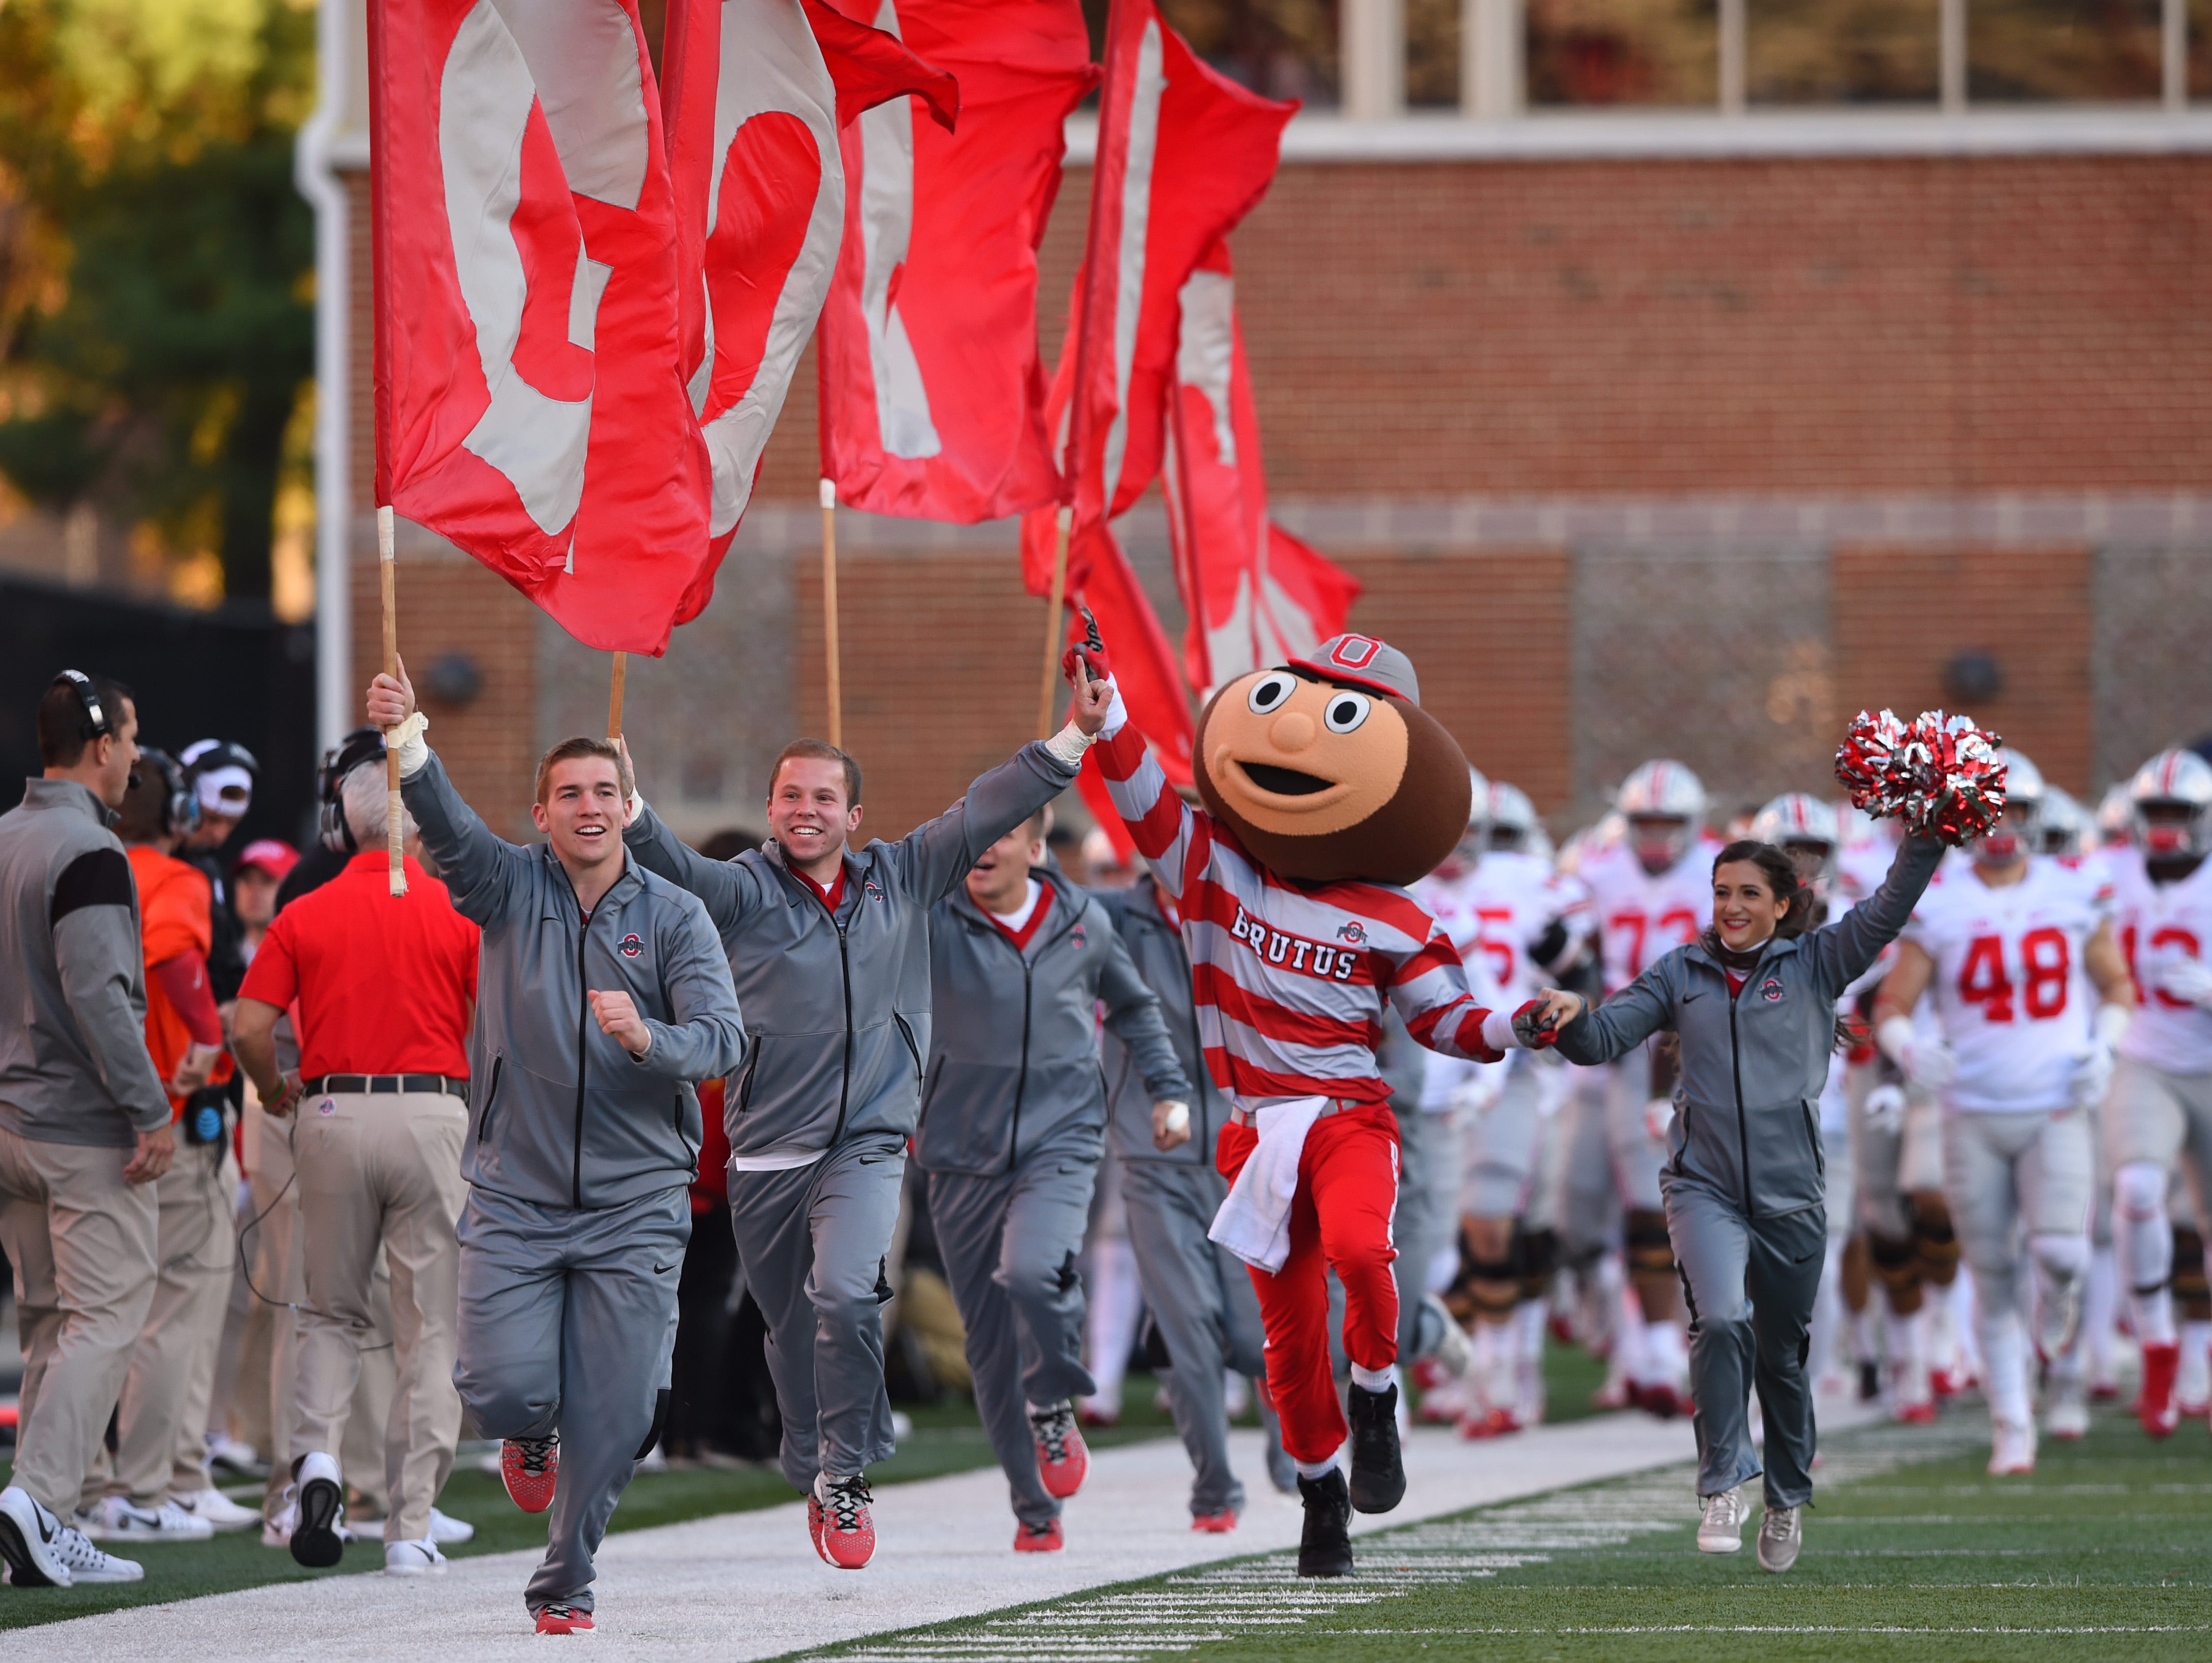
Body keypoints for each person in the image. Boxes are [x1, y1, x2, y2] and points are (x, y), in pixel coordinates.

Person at [615, 674, 1108, 1569]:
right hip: (765, 1153)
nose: (807, 811)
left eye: (825, 798)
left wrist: (1073, 736)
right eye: (792, 796)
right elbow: (670, 868)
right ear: (770, 807)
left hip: (869, 1143)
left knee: (846, 1294)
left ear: (854, 813)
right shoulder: (740, 891)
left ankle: (843, 1475)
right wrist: (633, 805)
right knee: (791, 1329)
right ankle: (814, 1464)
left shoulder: (904, 875)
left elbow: (987, 805)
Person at [1091, 630, 1537, 1579]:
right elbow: (1142, 803)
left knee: (1360, 1250)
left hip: (1345, 1114)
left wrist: (1516, 1028)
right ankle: (1320, 1490)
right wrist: (1110, 715)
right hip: (1253, 1129)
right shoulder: (1211, 866)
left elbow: (1447, 1021)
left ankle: (1376, 1396)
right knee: (1284, 1339)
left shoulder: (1395, 913)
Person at [369, 663, 746, 1636]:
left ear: (629, 809)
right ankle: (528, 1430)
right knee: (501, 1387)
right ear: (541, 815)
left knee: (619, 1417)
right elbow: (448, 827)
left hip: (637, 1203)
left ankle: (565, 1580)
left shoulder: (675, 915)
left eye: (604, 793)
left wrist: (649, 1041)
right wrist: (408, 736)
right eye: (569, 794)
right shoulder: (503, 888)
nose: (589, 808)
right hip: (516, 1194)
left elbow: (725, 1039)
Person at [1542, 821, 1944, 1573]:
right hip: (1703, 1186)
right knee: (1721, 1320)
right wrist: (1561, 1021)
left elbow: (1889, 906)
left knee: (1782, 1362)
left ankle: (1787, 1495)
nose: (1730, 906)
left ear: (1785, 904)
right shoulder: (1679, 972)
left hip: (1792, 1197)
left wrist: (1927, 835)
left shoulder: (1820, 961)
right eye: (1721, 892)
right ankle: (1722, 1481)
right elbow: (1603, 1039)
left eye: (1748, 894)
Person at [231, 755, 483, 1577]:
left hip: (331, 1108)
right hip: (432, 1110)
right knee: (429, 1325)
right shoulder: (458, 908)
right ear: (418, 825)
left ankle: (320, 1466)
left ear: (350, 823)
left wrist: (274, 1089)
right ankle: (410, 1525)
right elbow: (493, 1025)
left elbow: (249, 1022)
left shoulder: (306, 909)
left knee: (326, 1312)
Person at [916, 809, 1189, 1550]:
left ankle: (1053, 1395)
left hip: (1062, 1138)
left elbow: (1133, 1007)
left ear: (1034, 851)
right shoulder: (926, 922)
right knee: (987, 1342)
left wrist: (1168, 1089)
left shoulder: (1081, 922)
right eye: (973, 833)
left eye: (1002, 833)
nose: (983, 847)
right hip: (957, 1151)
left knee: (1034, 1273)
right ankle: (1033, 1506)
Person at [1872, 750, 2132, 1475]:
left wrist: (2105, 1046)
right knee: (1988, 1271)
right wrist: (1906, 1046)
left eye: (2012, 811)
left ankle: (2062, 1317)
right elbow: (1892, 1001)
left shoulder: (2074, 889)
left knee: (2060, 1252)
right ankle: (2011, 1424)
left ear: (2033, 816)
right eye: (1988, 811)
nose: (2000, 826)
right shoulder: (1943, 899)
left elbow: (2116, 986)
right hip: (1972, 1109)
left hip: (2053, 1101)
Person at [0, 672, 174, 1588]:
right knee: (106, 1318)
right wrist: (150, 1110)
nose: (139, 756)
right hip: (78, 1128)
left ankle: (42, 1522)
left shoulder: (6, 837)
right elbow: (103, 1000)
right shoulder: (89, 851)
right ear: (103, 746)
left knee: (47, 1325)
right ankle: (36, 1501)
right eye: (134, 738)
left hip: (9, 1125)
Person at [78, 749, 253, 1543]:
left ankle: (79, 1489)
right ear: (178, 814)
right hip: (165, 1114)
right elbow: (180, 964)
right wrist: (213, 1041)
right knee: (172, 1311)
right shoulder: (177, 881)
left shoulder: (73, 863)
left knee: (76, 1318)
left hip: (71, 1115)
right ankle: (142, 1488)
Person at [1096, 866, 1298, 1522]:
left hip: (1251, 1150)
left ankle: (1288, 1442)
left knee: (1257, 1327)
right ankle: (1213, 1483)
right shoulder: (1111, 918)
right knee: (1183, 1325)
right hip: (1154, 1154)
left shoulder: (1263, 915)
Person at [1414, 776, 1590, 1437]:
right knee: (1432, 1237)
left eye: (1470, 833)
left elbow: (1575, 972)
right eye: (1446, 832)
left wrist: (1558, 1040)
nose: (1457, 848)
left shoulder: (1526, 884)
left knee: (1492, 1222)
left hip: (1508, 1065)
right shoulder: (1400, 887)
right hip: (1419, 1080)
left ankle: (1502, 1373)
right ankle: (1461, 1369)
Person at [1563, 759, 1715, 1417]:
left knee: (1680, 1194)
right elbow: (1566, 952)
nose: (1655, 836)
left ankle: (1664, 1346)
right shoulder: (1595, 874)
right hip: (1624, 1044)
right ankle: (1644, 1338)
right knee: (1615, 1200)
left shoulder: (1720, 870)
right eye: (1644, 822)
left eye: (1666, 823)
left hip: (1703, 1046)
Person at [2097, 748, 2212, 1438]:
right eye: (2156, 813)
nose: (2166, 826)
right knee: (2137, 1191)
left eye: (2178, 813)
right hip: (2142, 1058)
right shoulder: (2108, 876)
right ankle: (2156, 1345)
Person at [232, 839, 298, 962]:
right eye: (247, 880)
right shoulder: (219, 961)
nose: (255, 891)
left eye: (267, 881)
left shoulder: (303, 964)